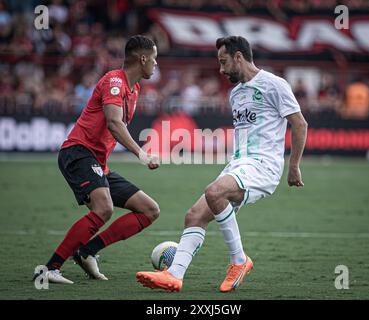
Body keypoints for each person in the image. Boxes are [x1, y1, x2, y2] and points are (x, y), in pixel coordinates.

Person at [136, 36, 308, 293]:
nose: (221, 69)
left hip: (264, 166)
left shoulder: (274, 85)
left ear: (239, 56)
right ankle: (174, 275)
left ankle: (239, 261)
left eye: (223, 62)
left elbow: (300, 124)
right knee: (194, 216)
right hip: (238, 165)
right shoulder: (235, 94)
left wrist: (293, 166)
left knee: (214, 191)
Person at [34, 35, 160, 284]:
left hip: (98, 163)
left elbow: (115, 124)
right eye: (154, 59)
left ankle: (87, 251)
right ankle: (49, 269)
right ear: (143, 58)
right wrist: (141, 153)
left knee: (149, 210)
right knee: (104, 208)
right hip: (78, 152)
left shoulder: (134, 89)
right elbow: (114, 122)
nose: (155, 64)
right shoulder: (114, 80)